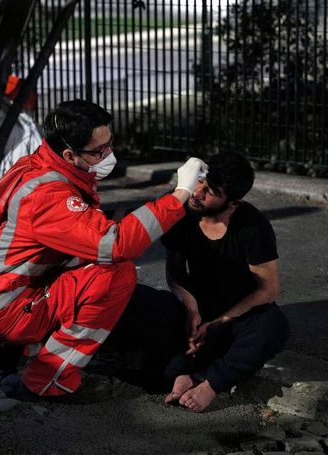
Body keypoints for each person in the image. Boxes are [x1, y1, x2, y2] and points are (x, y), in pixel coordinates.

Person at [0, 99, 207, 401]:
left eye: (109, 143)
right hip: (12, 307)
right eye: (98, 151)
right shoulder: (47, 194)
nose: (108, 154)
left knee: (142, 298)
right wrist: (180, 193)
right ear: (69, 153)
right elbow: (115, 243)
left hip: (16, 292)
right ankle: (47, 378)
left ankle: (25, 348)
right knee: (115, 274)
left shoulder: (45, 165)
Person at [119, 152, 289, 412]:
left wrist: (220, 323)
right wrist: (191, 308)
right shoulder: (183, 213)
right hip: (198, 310)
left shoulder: (253, 227)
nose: (197, 192)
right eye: (199, 182)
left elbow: (268, 289)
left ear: (232, 202)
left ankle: (210, 383)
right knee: (131, 296)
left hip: (238, 315)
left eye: (210, 190)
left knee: (272, 325)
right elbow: (175, 273)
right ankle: (181, 373)